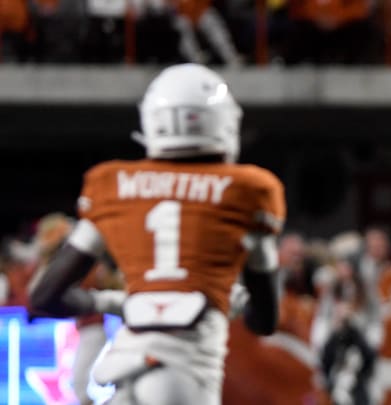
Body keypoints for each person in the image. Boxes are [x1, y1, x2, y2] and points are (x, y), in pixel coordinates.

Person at [29, 63, 286, 405]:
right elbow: (264, 321)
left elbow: (44, 297)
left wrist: (113, 302)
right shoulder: (249, 190)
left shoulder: (112, 184)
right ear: (223, 123)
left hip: (125, 364)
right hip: (185, 373)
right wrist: (232, 299)